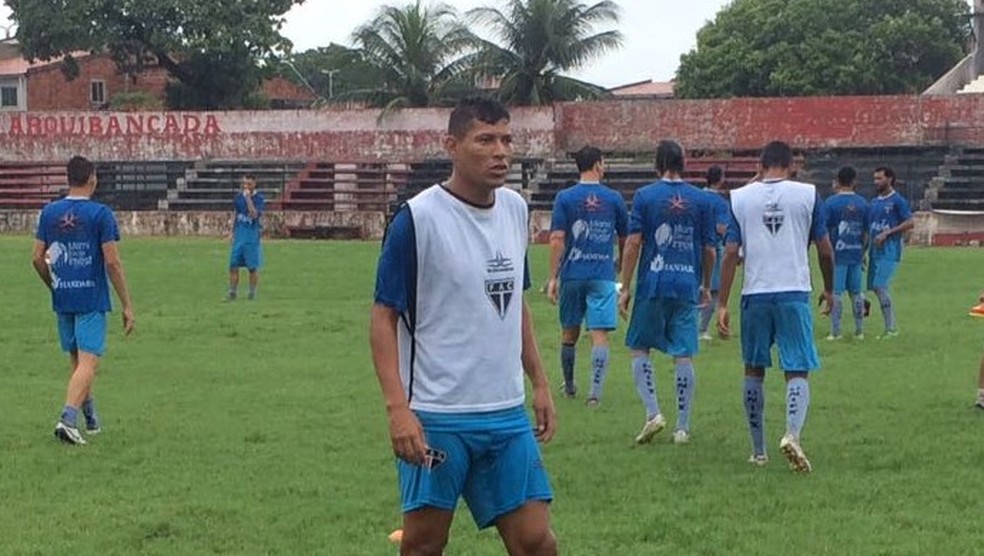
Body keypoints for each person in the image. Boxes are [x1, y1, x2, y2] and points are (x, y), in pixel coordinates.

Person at [370, 97, 557, 556]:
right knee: (423, 545)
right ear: (452, 146)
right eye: (486, 140)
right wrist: (398, 408)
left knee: (536, 541)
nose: (501, 152)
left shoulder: (515, 210)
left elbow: (516, 306)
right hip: (438, 415)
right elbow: (382, 316)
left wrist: (540, 382)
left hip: (506, 412)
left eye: (507, 140)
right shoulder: (418, 218)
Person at [716, 141, 834, 473]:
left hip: (755, 292)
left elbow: (730, 252)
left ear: (761, 163)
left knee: (754, 368)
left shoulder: (739, 198)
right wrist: (829, 288)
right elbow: (825, 249)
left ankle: (758, 451)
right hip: (794, 290)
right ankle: (792, 435)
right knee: (797, 368)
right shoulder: (808, 195)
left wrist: (722, 303)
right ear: (791, 164)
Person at [618, 140, 716, 446]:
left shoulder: (646, 196)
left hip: (653, 284)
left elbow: (633, 242)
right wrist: (705, 283)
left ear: (657, 163)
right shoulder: (701, 199)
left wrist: (625, 285)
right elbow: (709, 248)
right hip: (686, 285)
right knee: (683, 355)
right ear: (683, 162)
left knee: (639, 347)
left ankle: (653, 413)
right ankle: (682, 428)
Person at [31, 155, 135, 446]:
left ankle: (90, 415)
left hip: (64, 295)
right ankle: (67, 419)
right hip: (91, 295)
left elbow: (37, 258)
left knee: (77, 360)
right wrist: (127, 303)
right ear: (92, 178)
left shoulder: (49, 212)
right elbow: (112, 262)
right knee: (89, 362)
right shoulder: (101, 214)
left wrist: (54, 285)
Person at [546, 145, 628, 405]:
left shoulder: (565, 198)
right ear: (597, 165)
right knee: (599, 334)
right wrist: (621, 268)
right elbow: (626, 238)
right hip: (602, 274)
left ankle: (569, 386)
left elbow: (557, 239)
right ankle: (594, 393)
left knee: (569, 333)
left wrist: (552, 277)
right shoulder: (614, 198)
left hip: (572, 273)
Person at [822, 166, 869, 340]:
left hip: (837, 255)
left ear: (838, 181)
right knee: (856, 293)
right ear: (854, 181)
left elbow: (824, 231)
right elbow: (866, 232)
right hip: (855, 253)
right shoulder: (863, 203)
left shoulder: (830, 203)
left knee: (837, 292)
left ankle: (836, 331)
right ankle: (859, 331)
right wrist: (863, 251)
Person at [867, 166, 914, 339]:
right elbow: (869, 229)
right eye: (875, 179)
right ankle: (888, 327)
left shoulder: (897, 201)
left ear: (890, 179)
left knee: (880, 285)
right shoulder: (874, 202)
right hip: (874, 251)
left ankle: (891, 328)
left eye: (879, 178)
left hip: (890, 250)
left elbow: (910, 222)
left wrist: (888, 233)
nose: (876, 182)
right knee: (875, 287)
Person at [699, 165, 731, 341]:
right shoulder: (720, 203)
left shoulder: (697, 197)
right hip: (713, 247)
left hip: (693, 246)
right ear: (720, 179)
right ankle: (702, 329)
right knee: (713, 289)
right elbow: (721, 228)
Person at [228, 174, 265, 301]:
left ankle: (252, 293)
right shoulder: (238, 198)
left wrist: (248, 199)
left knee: (252, 267)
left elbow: (255, 215)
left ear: (254, 184)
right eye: (244, 183)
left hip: (251, 237)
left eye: (249, 184)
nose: (246, 186)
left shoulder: (259, 198)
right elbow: (236, 215)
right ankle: (232, 292)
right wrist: (232, 233)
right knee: (233, 265)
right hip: (239, 235)